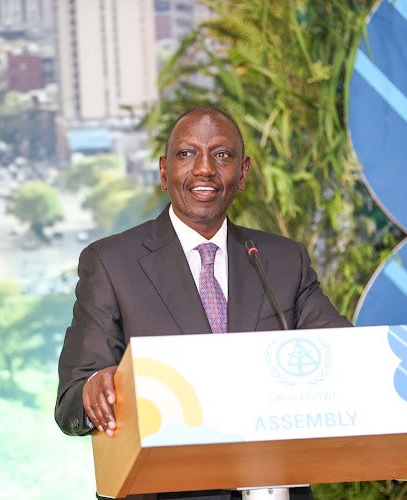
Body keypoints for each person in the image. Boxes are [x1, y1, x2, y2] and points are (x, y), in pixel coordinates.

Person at [56, 106, 353, 500]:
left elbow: (347, 359)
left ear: (242, 173)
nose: (204, 169)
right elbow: (72, 400)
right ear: (164, 172)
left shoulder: (282, 260)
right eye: (186, 154)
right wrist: (96, 390)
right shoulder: (111, 263)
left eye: (222, 155)